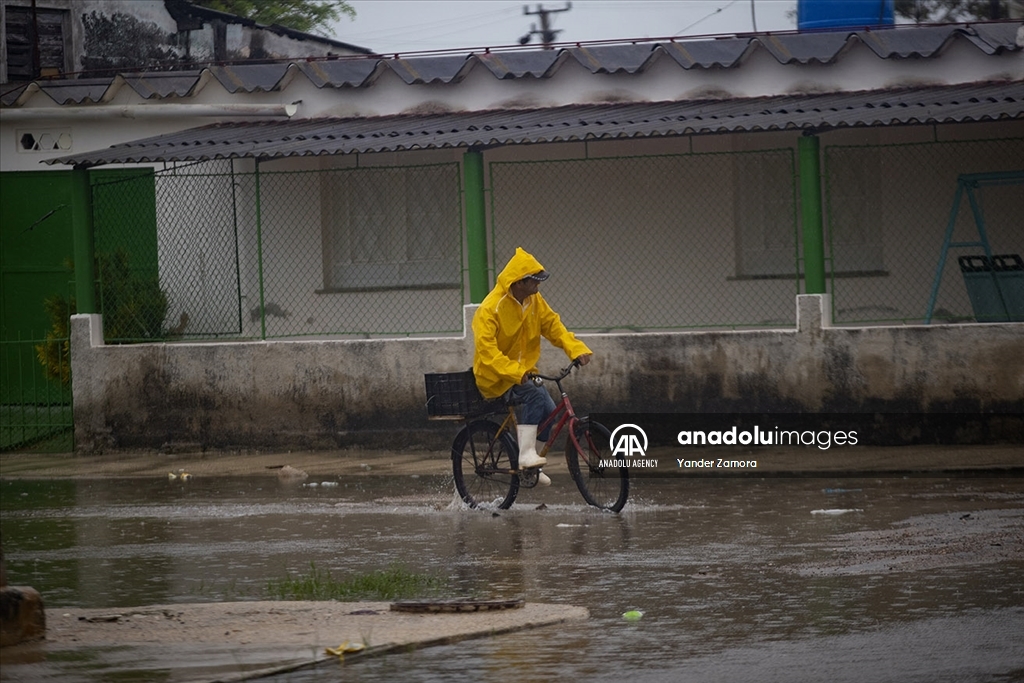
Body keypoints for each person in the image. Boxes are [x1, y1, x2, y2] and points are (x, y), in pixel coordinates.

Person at [472, 247, 592, 487]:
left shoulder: (534, 301)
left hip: (522, 375)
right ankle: (525, 455)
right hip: (495, 378)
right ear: (519, 282)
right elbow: (487, 354)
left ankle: (530, 467)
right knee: (536, 396)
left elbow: (553, 326)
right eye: (534, 282)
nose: (538, 286)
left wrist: (576, 349)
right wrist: (516, 372)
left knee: (549, 413)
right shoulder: (490, 309)